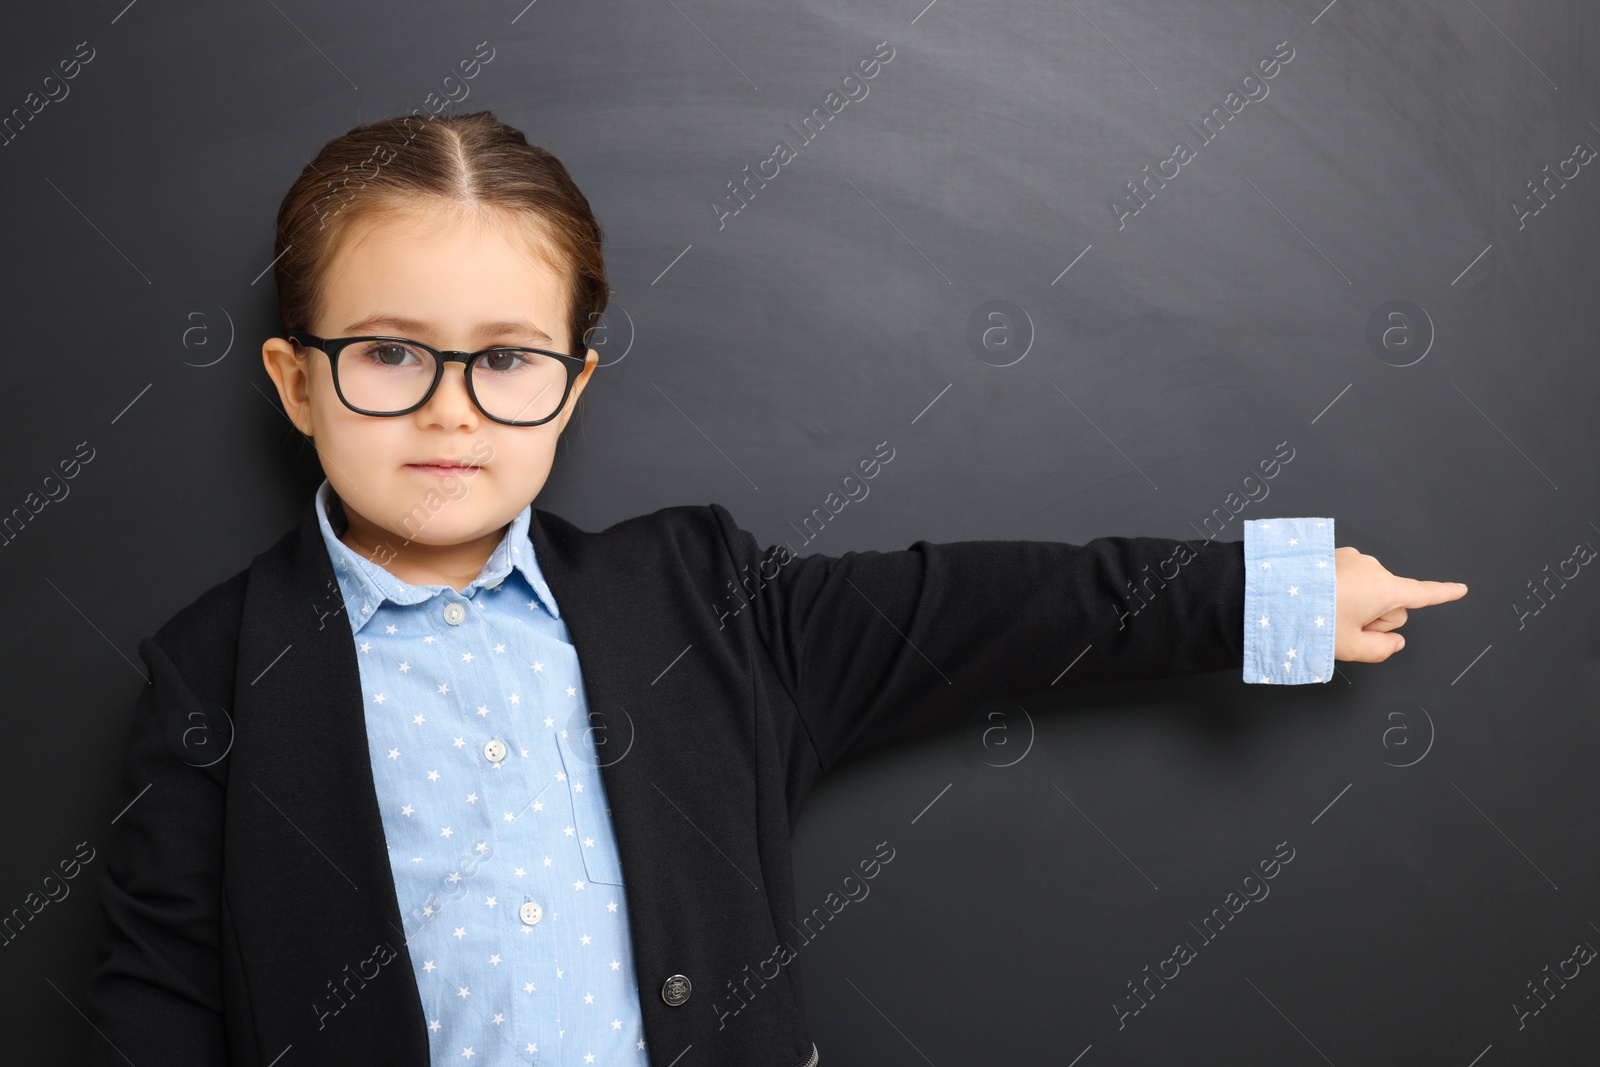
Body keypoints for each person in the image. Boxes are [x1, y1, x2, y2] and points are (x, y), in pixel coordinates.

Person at [82, 110, 1468, 1067]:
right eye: (391, 353)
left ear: (573, 392)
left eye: (508, 358)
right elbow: (155, 1007)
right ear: (297, 379)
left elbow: (989, 612)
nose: (452, 409)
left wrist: (1254, 596)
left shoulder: (702, 606)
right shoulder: (215, 673)